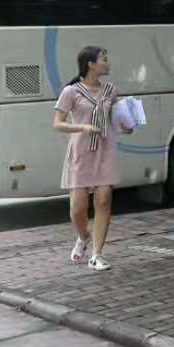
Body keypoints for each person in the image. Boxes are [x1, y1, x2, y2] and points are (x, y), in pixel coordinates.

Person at [53, 46, 122, 272]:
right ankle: (83, 237)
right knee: (77, 208)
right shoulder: (71, 91)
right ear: (91, 64)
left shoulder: (110, 91)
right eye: (103, 59)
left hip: (105, 150)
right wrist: (82, 127)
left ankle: (96, 255)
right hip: (81, 152)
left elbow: (117, 120)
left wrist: (127, 125)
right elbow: (58, 123)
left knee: (103, 200)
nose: (107, 63)